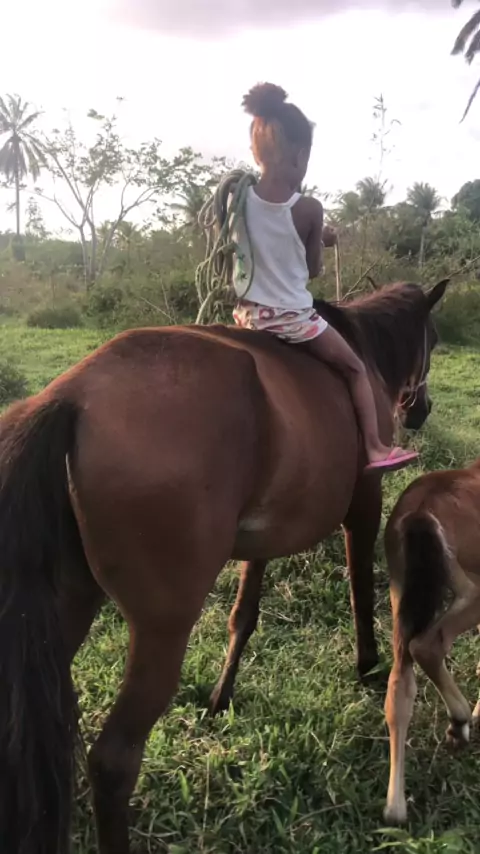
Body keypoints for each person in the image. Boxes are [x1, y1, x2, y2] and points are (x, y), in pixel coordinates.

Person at [232, 82, 418, 474]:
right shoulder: (309, 209)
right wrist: (321, 238)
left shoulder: (236, 200)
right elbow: (312, 269)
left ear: (255, 151)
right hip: (291, 320)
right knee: (355, 368)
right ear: (300, 155)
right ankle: (375, 448)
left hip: (247, 316)